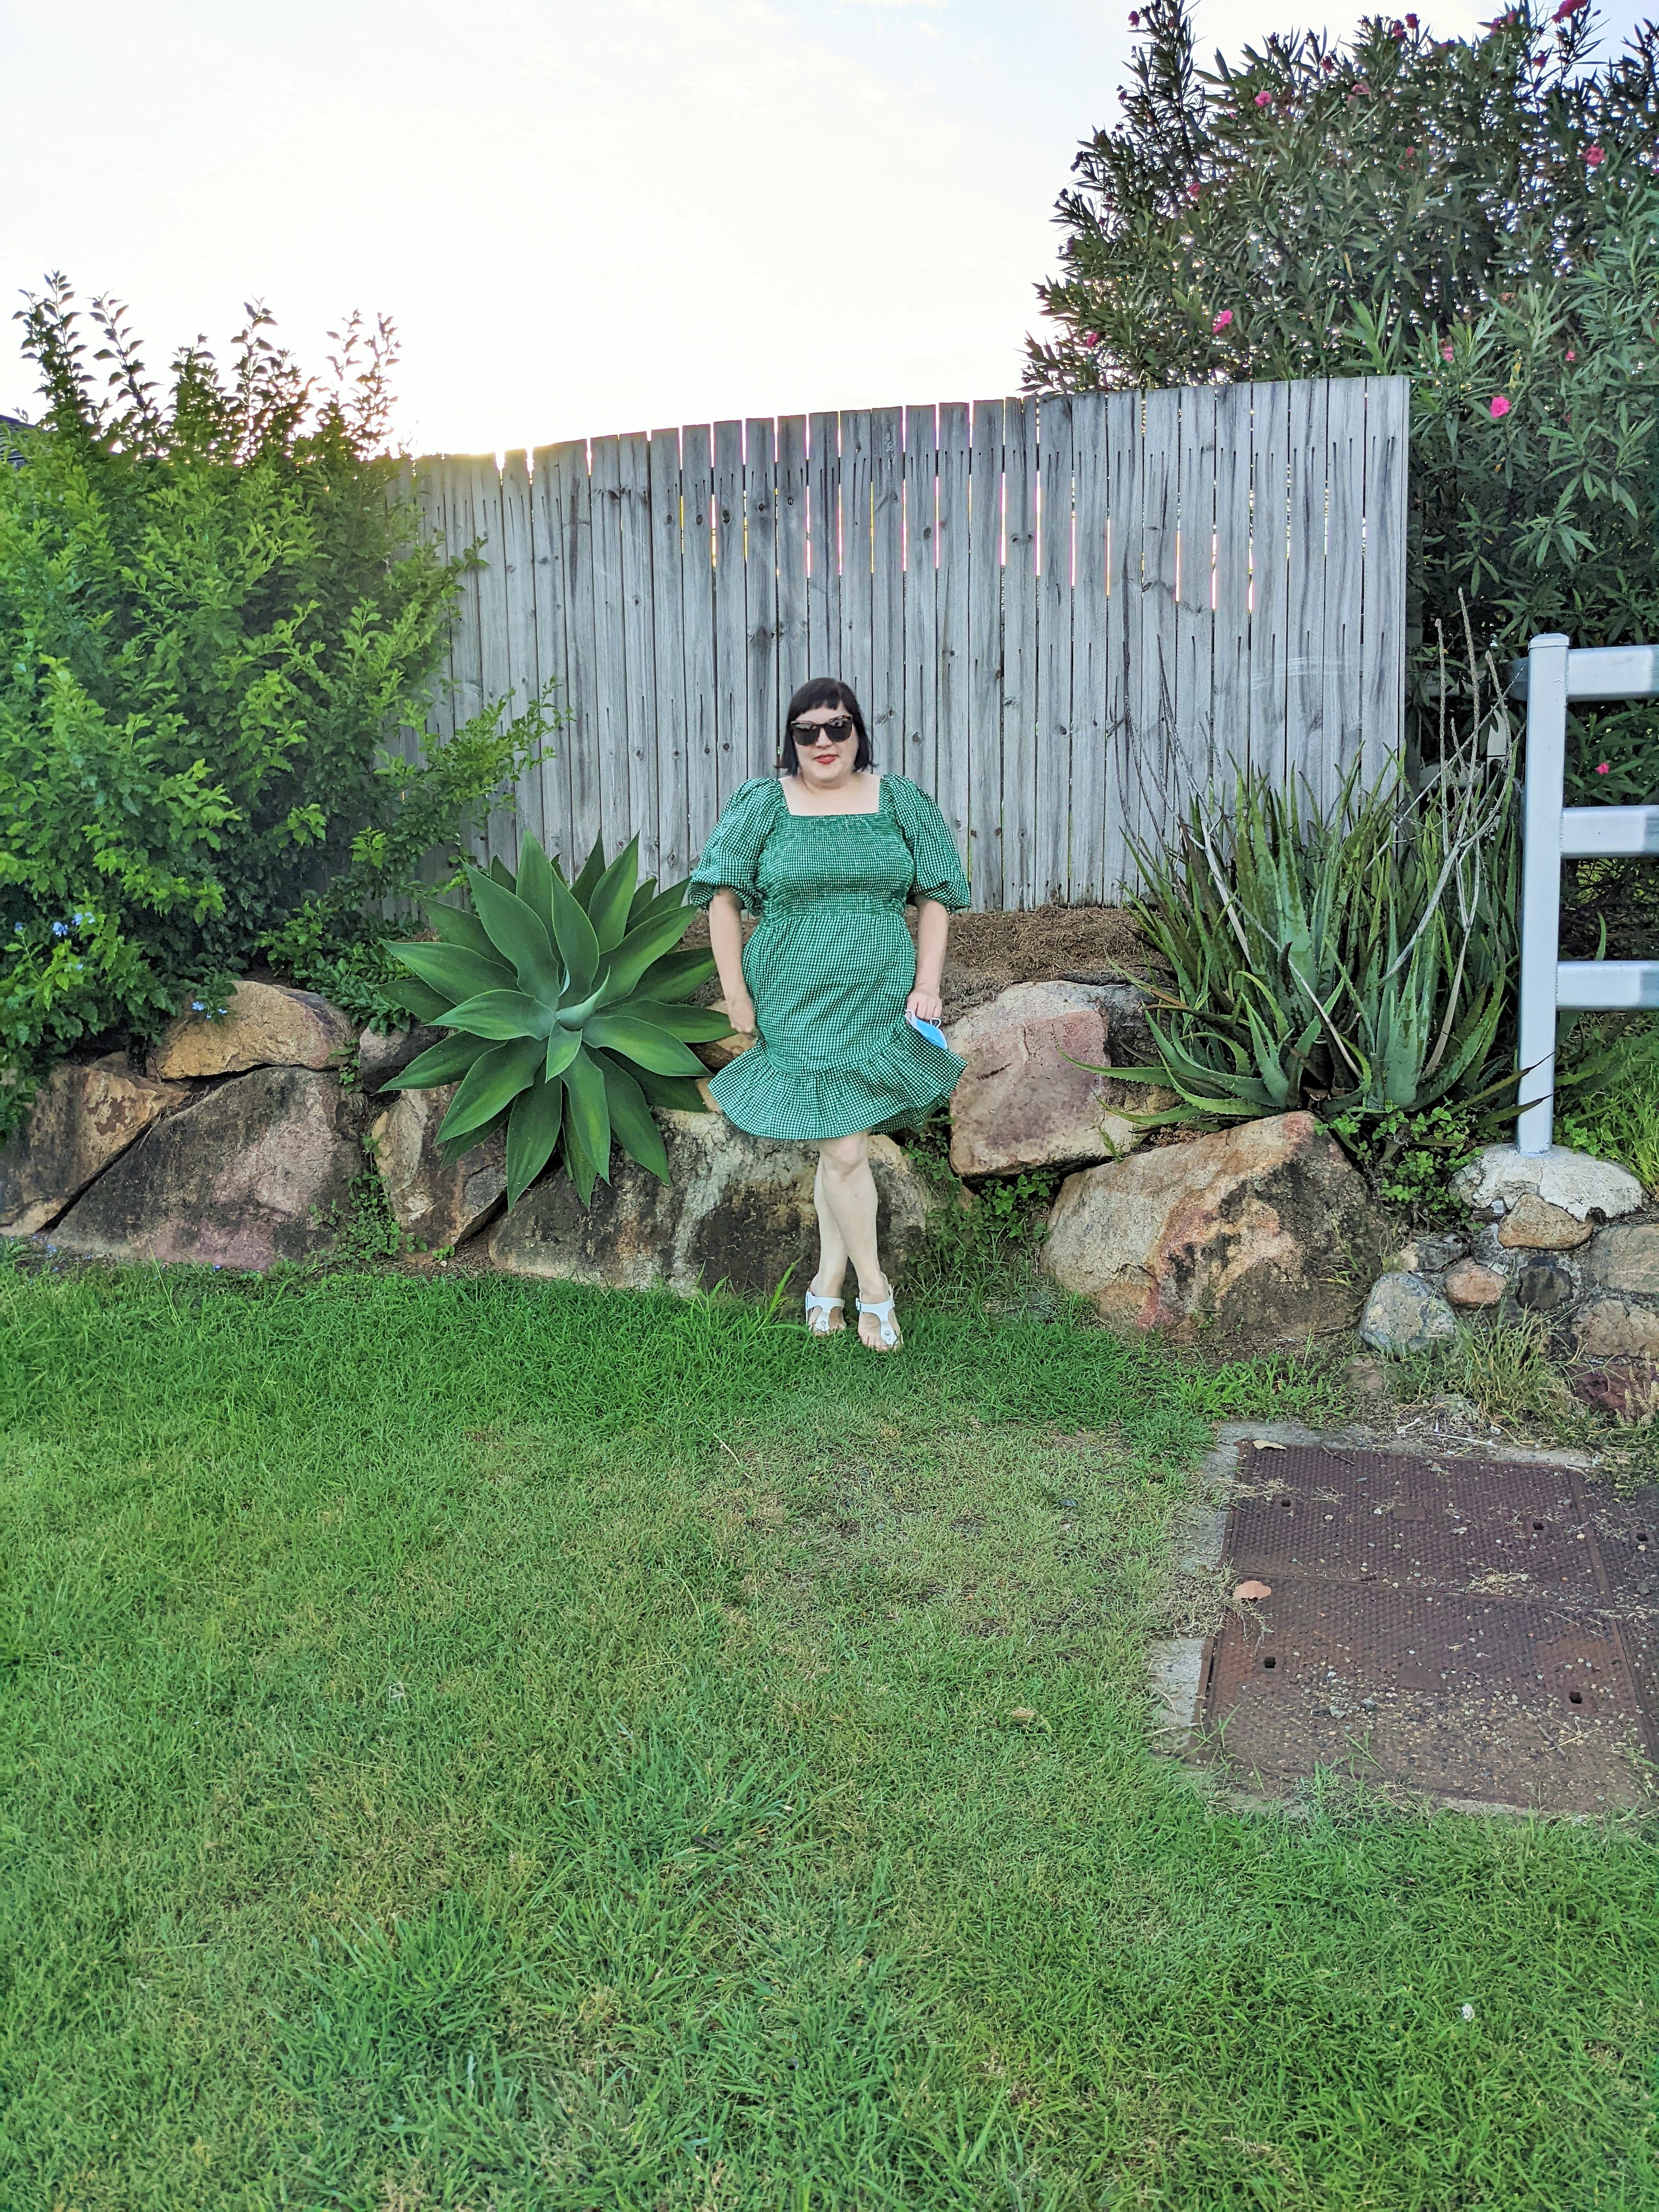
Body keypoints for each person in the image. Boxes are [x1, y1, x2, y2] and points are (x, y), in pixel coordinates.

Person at [687, 679, 970, 1351]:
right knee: (843, 1145)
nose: (822, 741)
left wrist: (927, 984)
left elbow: (936, 895)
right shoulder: (763, 802)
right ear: (791, 739)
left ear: (858, 732)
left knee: (838, 1142)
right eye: (806, 730)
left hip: (877, 995)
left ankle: (827, 1281)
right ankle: (876, 1292)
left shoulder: (900, 799)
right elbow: (722, 899)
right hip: (793, 997)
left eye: (837, 727)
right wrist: (735, 992)